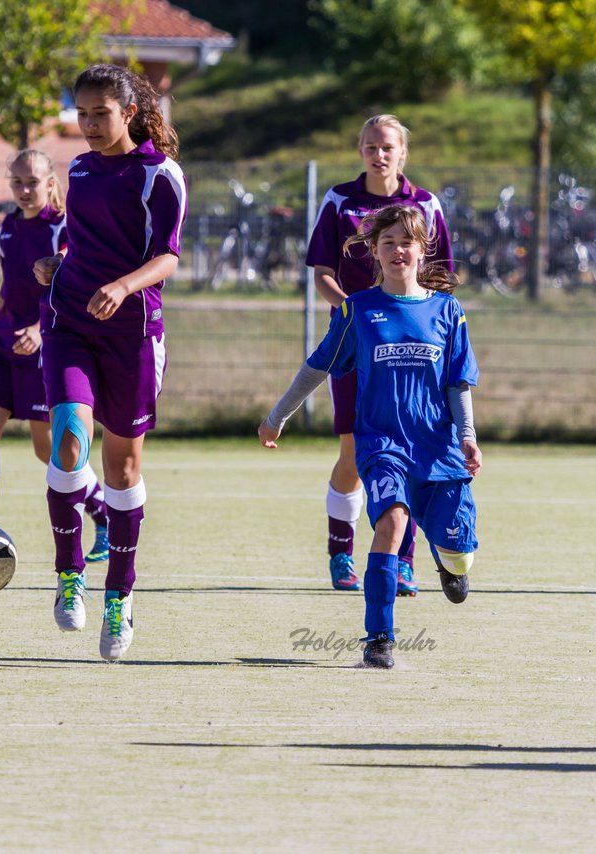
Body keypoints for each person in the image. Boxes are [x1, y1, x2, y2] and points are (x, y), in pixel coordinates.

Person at [260, 204, 481, 668]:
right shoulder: (358, 309)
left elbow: (458, 381)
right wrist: (280, 415)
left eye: (406, 241)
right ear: (373, 254)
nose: (397, 249)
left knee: (459, 551)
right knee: (392, 524)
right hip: (382, 444)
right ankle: (379, 639)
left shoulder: (448, 311)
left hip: (438, 449)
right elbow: (318, 365)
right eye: (387, 243)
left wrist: (467, 436)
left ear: (423, 250)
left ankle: (450, 562)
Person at [32, 64, 186, 661]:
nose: (90, 124)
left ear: (129, 113)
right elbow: (77, 235)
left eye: (101, 113)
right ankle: (70, 574)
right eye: (82, 112)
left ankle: (119, 596)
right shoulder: (80, 168)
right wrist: (57, 263)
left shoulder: (158, 174)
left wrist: (123, 287)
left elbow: (168, 257)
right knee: (68, 440)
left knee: (121, 472)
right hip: (69, 321)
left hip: (132, 336)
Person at [305, 114, 454, 596]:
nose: (379, 154)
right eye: (370, 146)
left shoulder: (425, 205)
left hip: (411, 351)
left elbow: (443, 275)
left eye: (388, 146)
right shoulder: (340, 200)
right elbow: (322, 271)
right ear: (360, 151)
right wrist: (353, 311)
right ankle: (341, 553)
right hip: (356, 346)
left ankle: (403, 561)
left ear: (403, 153)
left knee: (409, 450)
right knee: (352, 448)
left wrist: (414, 317)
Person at [0, 149, 108, 561]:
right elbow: (9, 289)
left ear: (50, 183)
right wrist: (1, 326)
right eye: (18, 183)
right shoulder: (8, 227)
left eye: (33, 182)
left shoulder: (63, 227)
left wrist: (41, 333)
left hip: (47, 342)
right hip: (3, 344)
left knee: (49, 448)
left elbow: (71, 285)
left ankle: (102, 512)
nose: (25, 190)